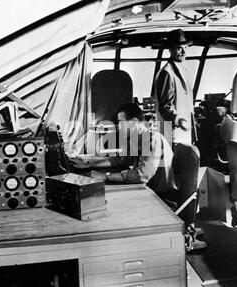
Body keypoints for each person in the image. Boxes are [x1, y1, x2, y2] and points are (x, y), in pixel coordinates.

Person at [70, 103, 206, 250]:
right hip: (150, 191)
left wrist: (106, 177)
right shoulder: (136, 138)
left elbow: (141, 176)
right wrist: (89, 163)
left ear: (134, 122)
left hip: (161, 197)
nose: (118, 126)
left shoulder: (151, 138)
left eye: (121, 122)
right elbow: (120, 160)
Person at [154, 28, 194, 146]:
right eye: (179, 48)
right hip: (173, 133)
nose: (183, 52)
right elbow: (166, 106)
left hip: (183, 131)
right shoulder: (166, 73)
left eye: (185, 48)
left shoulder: (183, 70)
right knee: (172, 163)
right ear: (170, 50)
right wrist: (178, 120)